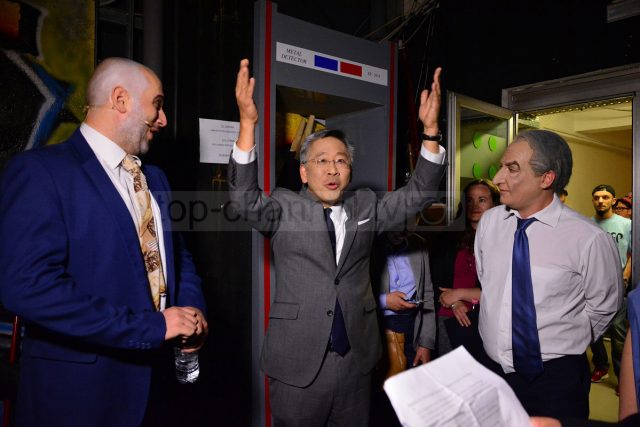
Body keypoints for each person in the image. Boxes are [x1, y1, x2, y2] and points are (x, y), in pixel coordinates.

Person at [228, 59, 446, 426]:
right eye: (322, 161)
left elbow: (419, 195)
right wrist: (248, 124)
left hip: (356, 363)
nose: (332, 169)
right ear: (304, 171)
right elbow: (243, 200)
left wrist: (431, 131)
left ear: (350, 170)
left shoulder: (366, 206)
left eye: (341, 161)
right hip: (297, 365)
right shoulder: (284, 206)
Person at [0, 58, 208, 427]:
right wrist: (152, 328)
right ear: (120, 100)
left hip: (156, 392)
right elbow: (27, 287)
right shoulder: (40, 172)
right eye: (157, 104)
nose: (163, 119)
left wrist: (192, 314)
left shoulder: (156, 178)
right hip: (79, 399)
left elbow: (178, 257)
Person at [475, 129, 623, 419]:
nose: (498, 178)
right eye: (501, 166)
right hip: (492, 372)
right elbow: (489, 283)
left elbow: (605, 306)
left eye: (512, 169)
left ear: (546, 178)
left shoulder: (588, 238)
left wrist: (565, 338)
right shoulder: (490, 223)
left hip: (556, 380)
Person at [432, 178, 499, 358]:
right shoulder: (447, 238)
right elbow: (434, 281)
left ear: (495, 204)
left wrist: (459, 294)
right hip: (448, 316)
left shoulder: (504, 241)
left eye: (482, 200)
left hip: (486, 320)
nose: (474, 205)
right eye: (469, 200)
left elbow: (501, 291)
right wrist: (455, 302)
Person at [589, 184, 632, 386]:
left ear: (613, 201)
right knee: (592, 330)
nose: (601, 201)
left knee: (617, 331)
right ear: (593, 200)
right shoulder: (587, 224)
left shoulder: (627, 224)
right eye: (597, 197)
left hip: (617, 284)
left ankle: (622, 376)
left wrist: (625, 274)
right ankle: (601, 366)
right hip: (593, 285)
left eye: (605, 197)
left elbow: (633, 253)